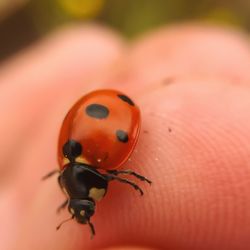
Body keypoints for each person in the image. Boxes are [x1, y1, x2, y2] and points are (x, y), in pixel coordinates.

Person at [1, 23, 250, 250]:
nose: (85, 209)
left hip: (115, 109)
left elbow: (102, 178)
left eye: (80, 206)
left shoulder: (91, 166)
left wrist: (126, 178)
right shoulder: (73, 167)